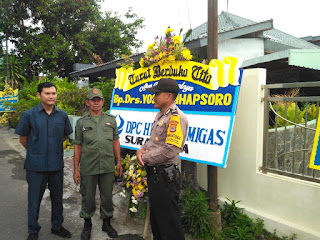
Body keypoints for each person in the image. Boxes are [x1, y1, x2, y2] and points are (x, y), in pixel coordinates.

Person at [15, 82, 73, 240]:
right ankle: (33, 230)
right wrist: (36, 151)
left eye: (53, 93)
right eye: (47, 93)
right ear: (39, 95)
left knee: (57, 198)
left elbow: (65, 135)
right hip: (36, 166)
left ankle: (57, 226)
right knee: (34, 200)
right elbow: (23, 139)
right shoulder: (29, 115)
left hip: (56, 165)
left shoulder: (62, 115)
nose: (51, 96)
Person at [136, 78, 188, 240]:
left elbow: (170, 151)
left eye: (157, 94)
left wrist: (145, 157)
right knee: (157, 222)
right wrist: (141, 149)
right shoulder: (161, 115)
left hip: (165, 178)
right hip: (156, 176)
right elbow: (153, 141)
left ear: (168, 96)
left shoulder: (176, 118)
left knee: (169, 225)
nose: (154, 97)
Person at [73, 88, 122, 240]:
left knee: (107, 196)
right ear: (88, 102)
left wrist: (118, 161)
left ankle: (106, 223)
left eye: (98, 99)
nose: (96, 102)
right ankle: (87, 224)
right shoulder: (81, 122)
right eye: (93, 100)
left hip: (107, 165)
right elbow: (78, 146)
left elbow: (115, 141)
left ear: (102, 101)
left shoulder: (111, 119)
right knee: (88, 196)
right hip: (88, 166)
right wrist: (76, 169)